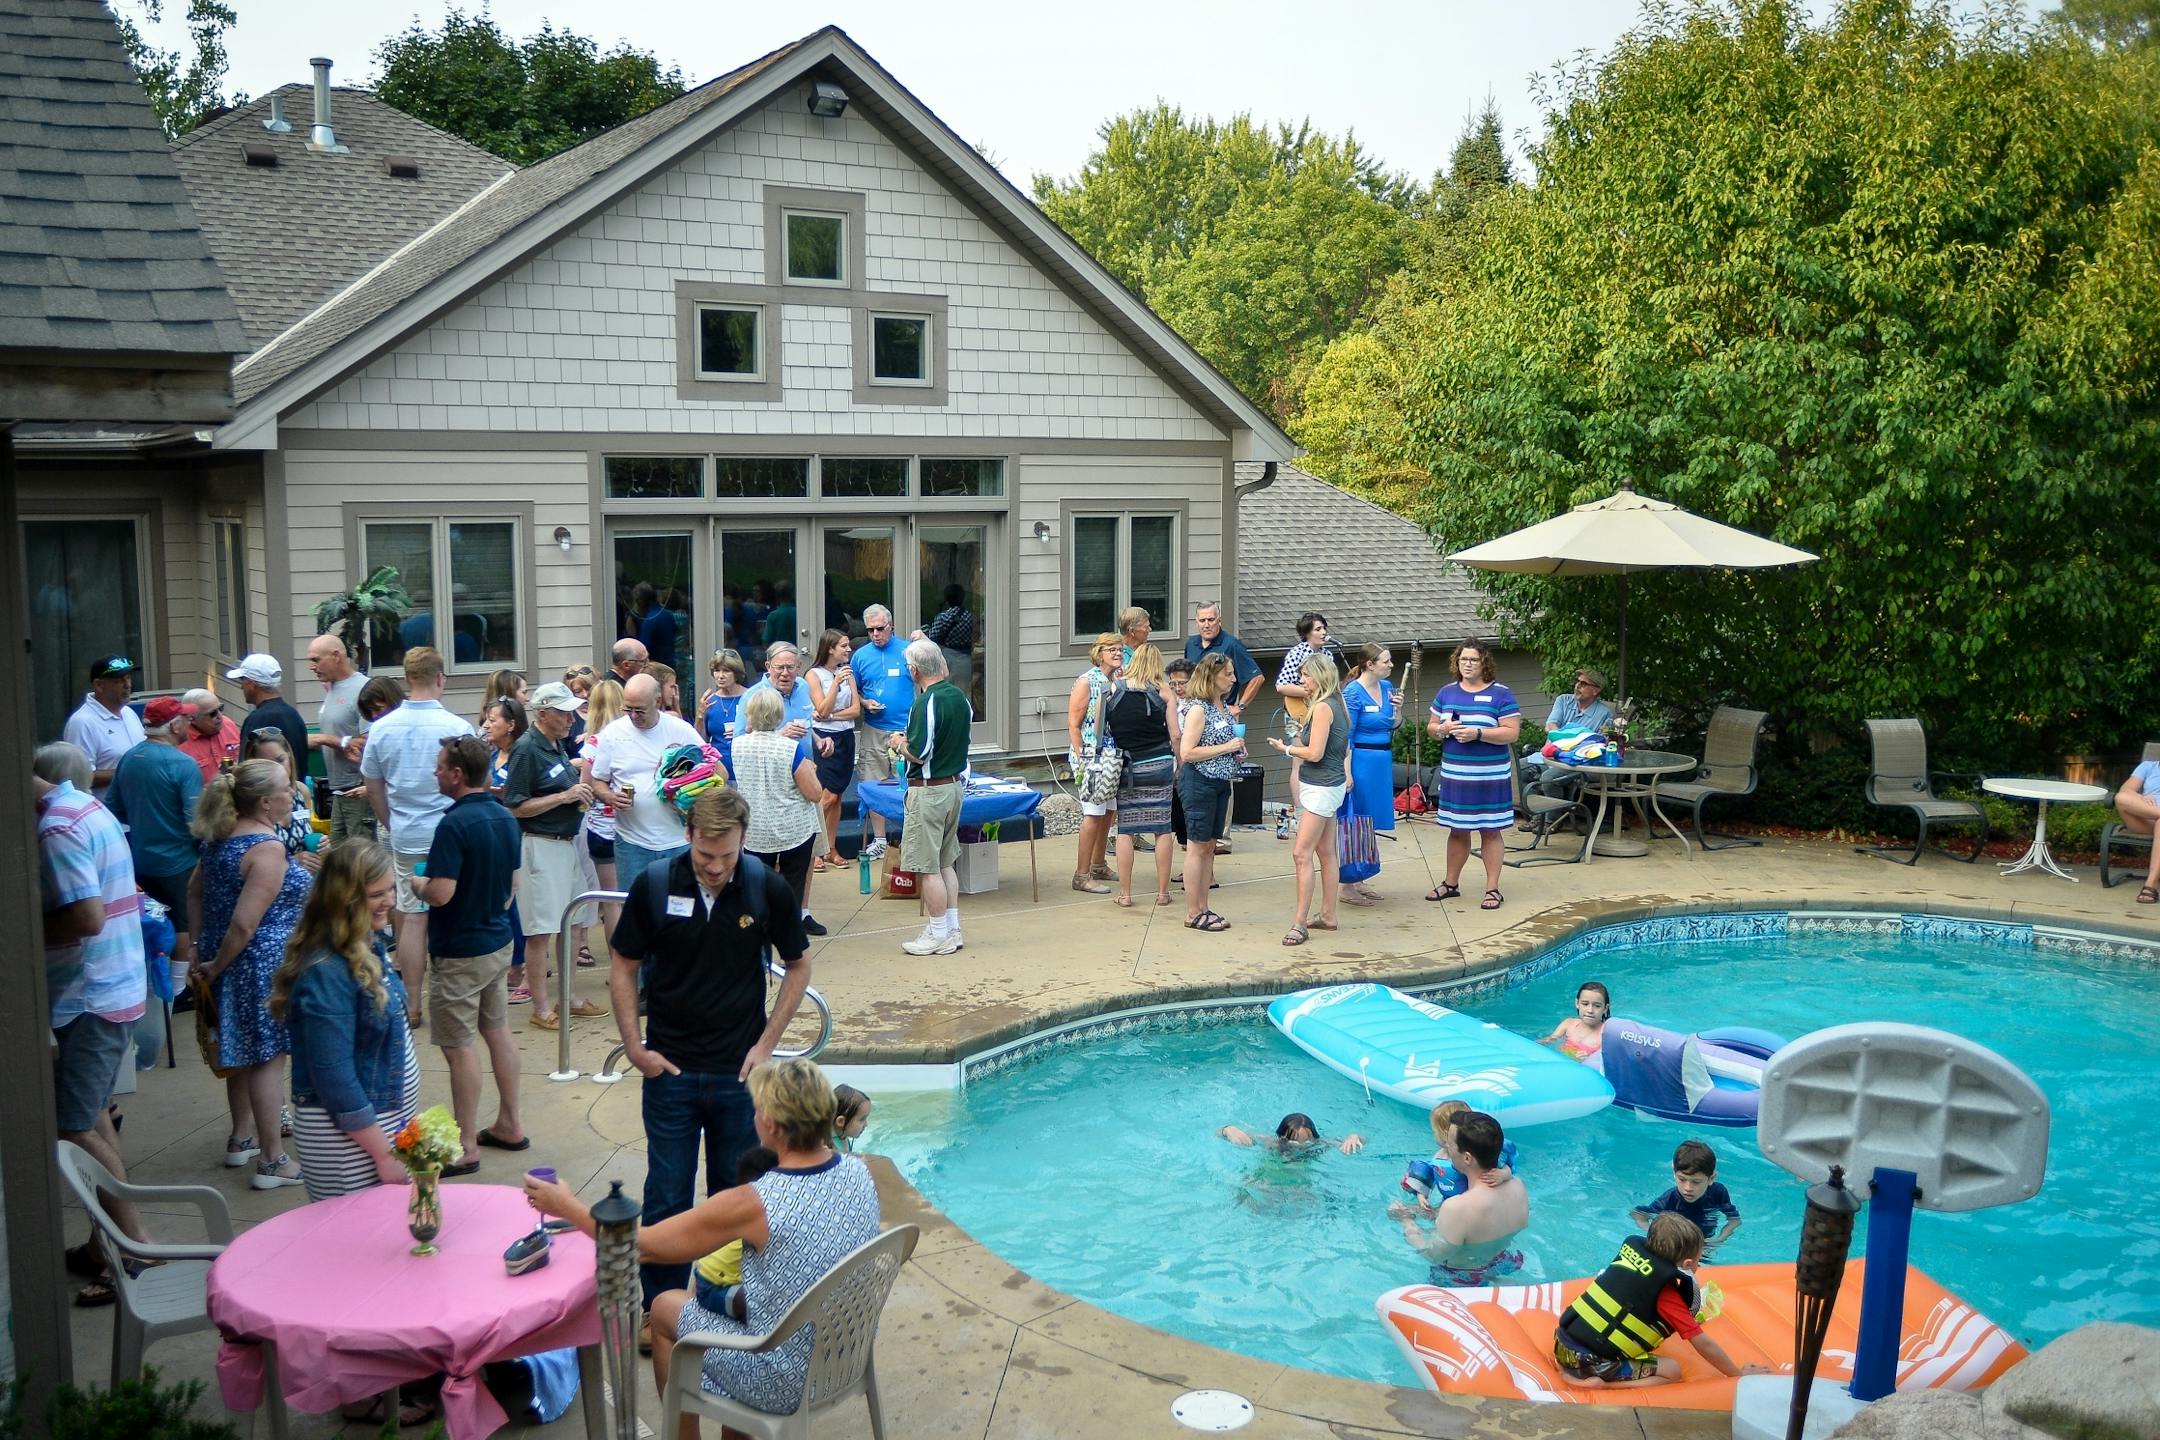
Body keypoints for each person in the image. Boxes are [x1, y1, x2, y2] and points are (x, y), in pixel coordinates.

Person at [525, 1058, 876, 1413]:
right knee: (731, 1304)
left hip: (783, 1380)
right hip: (842, 1354)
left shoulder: (756, 1202)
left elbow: (639, 1247)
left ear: (770, 1124)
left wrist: (566, 1205)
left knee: (663, 1308)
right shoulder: (859, 1171)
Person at [602, 789, 814, 1317]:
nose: (716, 867)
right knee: (668, 1198)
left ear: (743, 841)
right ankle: (660, 1311)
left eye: (727, 855)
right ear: (687, 836)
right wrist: (635, 1047)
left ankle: (728, 1310)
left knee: (735, 1198)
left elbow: (800, 966)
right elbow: (623, 964)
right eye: (705, 856)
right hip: (669, 1071)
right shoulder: (654, 884)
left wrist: (766, 1047)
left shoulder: (766, 887)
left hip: (739, 1076)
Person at [36, 742, 153, 1302]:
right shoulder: (84, 805)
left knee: (75, 1125)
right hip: (114, 985)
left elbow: (85, 916)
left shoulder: (56, 826)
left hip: (90, 996)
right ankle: (103, 1244)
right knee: (97, 1118)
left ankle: (136, 1249)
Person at [268, 841, 419, 1200]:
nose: (390, 901)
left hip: (379, 1127)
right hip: (348, 1143)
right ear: (345, 899)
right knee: (353, 1244)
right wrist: (383, 1153)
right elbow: (334, 1076)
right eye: (376, 894)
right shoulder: (326, 972)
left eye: (391, 889)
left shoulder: (368, 947)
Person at [189, 758, 311, 1190]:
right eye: (284, 787)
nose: (292, 792)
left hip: (224, 961)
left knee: (239, 1053)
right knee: (267, 1060)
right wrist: (215, 963)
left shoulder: (220, 838)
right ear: (264, 801)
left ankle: (240, 1138)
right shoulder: (267, 848)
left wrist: (199, 950)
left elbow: (196, 893)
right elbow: (245, 924)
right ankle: (272, 1160)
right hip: (259, 965)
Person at [418, 735, 525, 1174]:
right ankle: (510, 1124)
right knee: (497, 1031)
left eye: (440, 767)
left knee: (459, 1046)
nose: (436, 773)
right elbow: (513, 885)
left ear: (458, 775)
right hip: (497, 942)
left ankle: (466, 1144)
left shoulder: (453, 825)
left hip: (460, 950)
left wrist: (415, 884)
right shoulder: (504, 817)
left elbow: (441, 893)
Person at [361, 648, 476, 1017]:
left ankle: (412, 1002)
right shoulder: (457, 728)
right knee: (457, 912)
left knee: (413, 917)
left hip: (407, 832)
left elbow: (373, 784)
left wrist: (390, 822)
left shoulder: (381, 728)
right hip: (454, 829)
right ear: (440, 678)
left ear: (407, 679)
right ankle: (458, 999)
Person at [1552, 1215, 1771, 1388]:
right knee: (1672, 1370)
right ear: (1687, 1262)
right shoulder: (1667, 1296)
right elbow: (1703, 1344)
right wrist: (1739, 1375)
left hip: (1561, 1344)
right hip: (1590, 1363)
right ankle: (1604, 1385)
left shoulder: (1631, 1260)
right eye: (1698, 1258)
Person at [505, 683, 606, 1031]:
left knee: (573, 922)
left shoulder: (554, 745)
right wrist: (564, 798)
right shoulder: (526, 749)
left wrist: (579, 795)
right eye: (563, 712)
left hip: (564, 844)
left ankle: (571, 997)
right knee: (541, 929)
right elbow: (516, 806)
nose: (569, 718)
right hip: (540, 845)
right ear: (542, 713)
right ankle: (542, 1005)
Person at [1425, 640, 1522, 911]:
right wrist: (1442, 729)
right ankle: (1450, 884)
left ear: (1484, 663)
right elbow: (1431, 728)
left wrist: (1478, 733)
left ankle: (1492, 889)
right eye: (1463, 660)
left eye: (1473, 660)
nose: (1467, 664)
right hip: (1456, 774)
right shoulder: (1446, 693)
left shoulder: (1501, 694)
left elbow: (1511, 733)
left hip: (1489, 776)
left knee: (1490, 831)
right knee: (1457, 830)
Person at [590, 673, 705, 894]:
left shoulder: (680, 729)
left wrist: (689, 790)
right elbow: (598, 781)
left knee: (681, 909)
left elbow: (716, 769)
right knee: (635, 909)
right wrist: (609, 797)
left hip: (677, 841)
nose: (633, 716)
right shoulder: (613, 734)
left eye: (640, 710)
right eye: (628, 709)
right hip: (632, 844)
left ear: (658, 702)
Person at [106, 696, 205, 942]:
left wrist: (146, 817)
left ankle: (158, 979)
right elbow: (197, 823)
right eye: (185, 718)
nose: (189, 723)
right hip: (180, 863)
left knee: (153, 925)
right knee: (184, 927)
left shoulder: (129, 758)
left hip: (141, 863)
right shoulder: (184, 764)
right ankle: (181, 982)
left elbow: (113, 807)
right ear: (174, 726)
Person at [898, 640, 973, 956]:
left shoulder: (925, 703)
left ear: (914, 671)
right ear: (942, 665)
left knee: (928, 866)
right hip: (954, 786)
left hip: (930, 791)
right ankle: (951, 929)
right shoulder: (960, 698)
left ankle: (938, 932)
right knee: (945, 862)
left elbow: (918, 752)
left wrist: (898, 742)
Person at [1268, 653, 1348, 947]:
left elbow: (1314, 753)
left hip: (1322, 788)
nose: (1302, 680)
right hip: (1330, 785)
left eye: (1305, 675)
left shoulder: (1324, 708)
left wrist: (1286, 749)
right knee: (1326, 852)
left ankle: (1299, 923)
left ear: (1319, 677)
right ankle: (1328, 915)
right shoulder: (1333, 704)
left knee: (1301, 854)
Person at [734, 686, 827, 937]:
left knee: (756, 885)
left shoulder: (737, 746)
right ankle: (790, 931)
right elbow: (814, 793)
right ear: (778, 715)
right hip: (792, 828)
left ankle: (757, 930)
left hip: (755, 829)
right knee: (792, 882)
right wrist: (811, 771)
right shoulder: (789, 748)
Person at [1398, 1110, 1529, 1285]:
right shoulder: (1518, 1187)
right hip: (1504, 1262)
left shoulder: (1457, 1207)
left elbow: (1432, 1254)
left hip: (1462, 1279)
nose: (1447, 1148)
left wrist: (1406, 1220)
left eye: (1450, 1144)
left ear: (1467, 1157)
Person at [1104, 643, 1179, 907]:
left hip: (1127, 767)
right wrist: (1179, 761)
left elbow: (1106, 727)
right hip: (1159, 765)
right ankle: (1162, 893)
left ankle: (1125, 894)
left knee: (1125, 829)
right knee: (1162, 828)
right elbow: (1175, 733)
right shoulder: (1164, 692)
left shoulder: (1115, 689)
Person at [1177, 654, 1245, 933]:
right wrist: (1227, 748)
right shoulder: (1198, 709)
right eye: (1228, 674)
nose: (1233, 679)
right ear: (1212, 676)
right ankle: (1193, 912)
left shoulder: (1224, 708)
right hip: (1199, 782)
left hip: (1220, 782)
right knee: (1196, 846)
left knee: (1209, 847)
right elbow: (1187, 752)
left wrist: (1237, 751)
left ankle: (1204, 906)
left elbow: (1225, 743)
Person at [478, 696, 536, 1008]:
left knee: (517, 905)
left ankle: (522, 966)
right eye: (485, 719)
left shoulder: (522, 755)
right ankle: (511, 963)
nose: (486, 725)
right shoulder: (490, 754)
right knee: (502, 903)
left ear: (511, 725)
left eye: (493, 720)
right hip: (492, 836)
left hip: (518, 839)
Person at [1339, 645, 1404, 904]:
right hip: (1361, 760)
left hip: (1381, 759)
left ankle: (1360, 877)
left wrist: (1399, 709)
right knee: (1356, 820)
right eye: (1386, 661)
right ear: (1370, 664)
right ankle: (1347, 884)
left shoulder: (1388, 689)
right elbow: (1347, 735)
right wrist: (1347, 772)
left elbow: (1393, 725)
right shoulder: (1353, 693)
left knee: (1371, 822)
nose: (1391, 666)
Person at [849, 604, 913, 861]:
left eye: (880, 629)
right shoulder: (861, 656)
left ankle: (910, 835)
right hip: (875, 728)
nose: (875, 634)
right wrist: (864, 703)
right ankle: (879, 839)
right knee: (873, 781)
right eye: (870, 630)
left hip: (905, 728)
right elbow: (854, 691)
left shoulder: (908, 650)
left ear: (891, 625)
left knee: (908, 783)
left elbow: (927, 679)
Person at [690, 1145, 781, 1320]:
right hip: (715, 1287)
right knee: (760, 1303)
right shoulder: (756, 1217)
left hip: (705, 1273)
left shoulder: (735, 1206)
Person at [306, 634, 375, 847]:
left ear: (336, 656)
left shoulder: (363, 689)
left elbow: (370, 741)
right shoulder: (333, 687)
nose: (312, 666)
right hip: (338, 791)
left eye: (316, 660)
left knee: (360, 864)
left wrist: (326, 739)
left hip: (359, 790)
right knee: (338, 862)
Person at [1067, 635, 1124, 894]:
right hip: (1091, 756)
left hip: (1111, 756)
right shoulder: (1087, 681)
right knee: (1093, 813)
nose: (1117, 653)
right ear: (1099, 653)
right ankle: (1081, 874)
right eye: (1111, 649)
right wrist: (1081, 758)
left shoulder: (1116, 681)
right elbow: (1074, 724)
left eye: (1120, 649)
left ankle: (1099, 863)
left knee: (1109, 811)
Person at [578, 678, 627, 962]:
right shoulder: (628, 739)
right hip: (632, 829)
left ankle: (618, 966)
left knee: (611, 901)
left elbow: (586, 789)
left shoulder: (593, 744)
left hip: (601, 832)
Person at [1395, 1099, 1520, 1212]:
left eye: (1435, 1131)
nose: (1433, 1135)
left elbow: (1505, 1164)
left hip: (1475, 1205)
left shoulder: (1479, 1153)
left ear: (1446, 1133)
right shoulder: (1440, 1157)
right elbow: (1429, 1174)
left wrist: (1503, 1175)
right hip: (1450, 1204)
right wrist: (1421, 1195)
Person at [805, 630, 858, 871]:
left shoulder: (848, 672)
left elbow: (856, 710)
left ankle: (831, 848)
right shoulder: (813, 675)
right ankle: (815, 848)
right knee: (826, 797)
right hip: (825, 739)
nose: (848, 650)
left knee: (837, 797)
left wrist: (832, 715)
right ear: (830, 649)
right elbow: (821, 709)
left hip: (845, 736)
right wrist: (835, 684)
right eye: (843, 646)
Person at [1631, 1139, 1743, 1253]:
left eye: (1696, 1182)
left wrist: (1719, 1240)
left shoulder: (1718, 1192)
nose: (1687, 1188)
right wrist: (1657, 1237)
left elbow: (1735, 1220)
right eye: (1682, 1179)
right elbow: (1638, 1214)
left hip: (1705, 1245)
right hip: (1679, 1247)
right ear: (1674, 1173)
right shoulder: (1670, 1200)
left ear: (1711, 1178)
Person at [61, 654, 144, 795]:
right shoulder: (82, 722)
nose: (128, 685)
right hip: (106, 811)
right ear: (99, 685)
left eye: (128, 678)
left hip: (136, 808)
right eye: (119, 680)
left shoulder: (128, 713)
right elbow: (80, 776)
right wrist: (130, 771)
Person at [242, 729, 319, 867]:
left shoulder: (301, 791)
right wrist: (292, 862)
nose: (277, 767)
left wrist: (321, 846)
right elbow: (246, 861)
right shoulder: (252, 801)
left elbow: (307, 836)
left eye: (280, 760)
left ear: (289, 758)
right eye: (267, 763)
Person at [227, 654, 309, 769]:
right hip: (295, 786)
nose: (241, 686)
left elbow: (247, 771)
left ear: (252, 684)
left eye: (243, 680)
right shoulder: (293, 715)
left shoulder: (255, 720)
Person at [1185, 601, 1264, 718]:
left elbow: (1257, 678)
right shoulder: (1191, 644)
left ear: (1219, 620)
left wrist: (1239, 707)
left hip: (1221, 714)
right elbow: (1188, 679)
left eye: (1211, 620)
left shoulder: (1232, 645)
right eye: (1202, 621)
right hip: (1194, 711)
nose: (1206, 625)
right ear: (1197, 622)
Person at [2113, 750, 2160, 904]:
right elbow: (2126, 790)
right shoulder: (2148, 766)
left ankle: (2150, 884)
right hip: (2144, 820)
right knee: (2121, 798)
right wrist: (2141, 797)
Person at [914, 582, 977, 693]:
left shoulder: (943, 617)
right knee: (963, 691)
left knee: (944, 691)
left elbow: (932, 639)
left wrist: (925, 632)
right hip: (965, 658)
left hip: (947, 657)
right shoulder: (969, 616)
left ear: (946, 599)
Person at [744, 642, 816, 739]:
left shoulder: (803, 686)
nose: (785, 673)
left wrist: (818, 741)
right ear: (768, 666)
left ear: (799, 666)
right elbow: (740, 739)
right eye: (780, 668)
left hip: (806, 754)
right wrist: (779, 734)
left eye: (790, 667)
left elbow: (807, 724)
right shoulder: (752, 695)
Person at [697, 649, 749, 778]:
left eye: (726, 671)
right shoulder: (709, 701)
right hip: (718, 772)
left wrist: (743, 732)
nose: (720, 676)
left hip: (746, 770)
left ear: (736, 673)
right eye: (717, 671)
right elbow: (700, 741)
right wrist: (700, 716)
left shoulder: (750, 697)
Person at [1218, 1112, 1364, 1154]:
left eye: (1307, 1142)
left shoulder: (1319, 1145)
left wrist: (1353, 1137)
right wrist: (1228, 1129)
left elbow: (1358, 1142)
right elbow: (1219, 1133)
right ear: (1281, 1137)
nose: (1300, 1147)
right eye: (1294, 1142)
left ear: (1314, 1137)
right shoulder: (1271, 1143)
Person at [178, 687, 242, 782]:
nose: (220, 716)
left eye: (220, 708)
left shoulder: (229, 725)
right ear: (192, 718)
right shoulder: (180, 741)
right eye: (212, 714)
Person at [1539, 980, 1611, 1060]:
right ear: (1577, 1003)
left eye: (1597, 1006)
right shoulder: (1568, 1024)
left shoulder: (1606, 1036)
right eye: (1585, 1004)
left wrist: (1590, 1059)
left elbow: (1607, 1062)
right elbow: (1550, 1039)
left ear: (1605, 1008)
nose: (1590, 1010)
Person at [632, 582, 678, 677]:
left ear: (641, 601)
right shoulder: (668, 615)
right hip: (671, 663)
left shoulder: (649, 621)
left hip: (656, 668)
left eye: (636, 601)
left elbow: (643, 649)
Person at [833, 1085, 873, 1152]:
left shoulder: (842, 1136)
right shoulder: (825, 1148)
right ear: (841, 1121)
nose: (866, 1124)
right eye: (862, 1119)